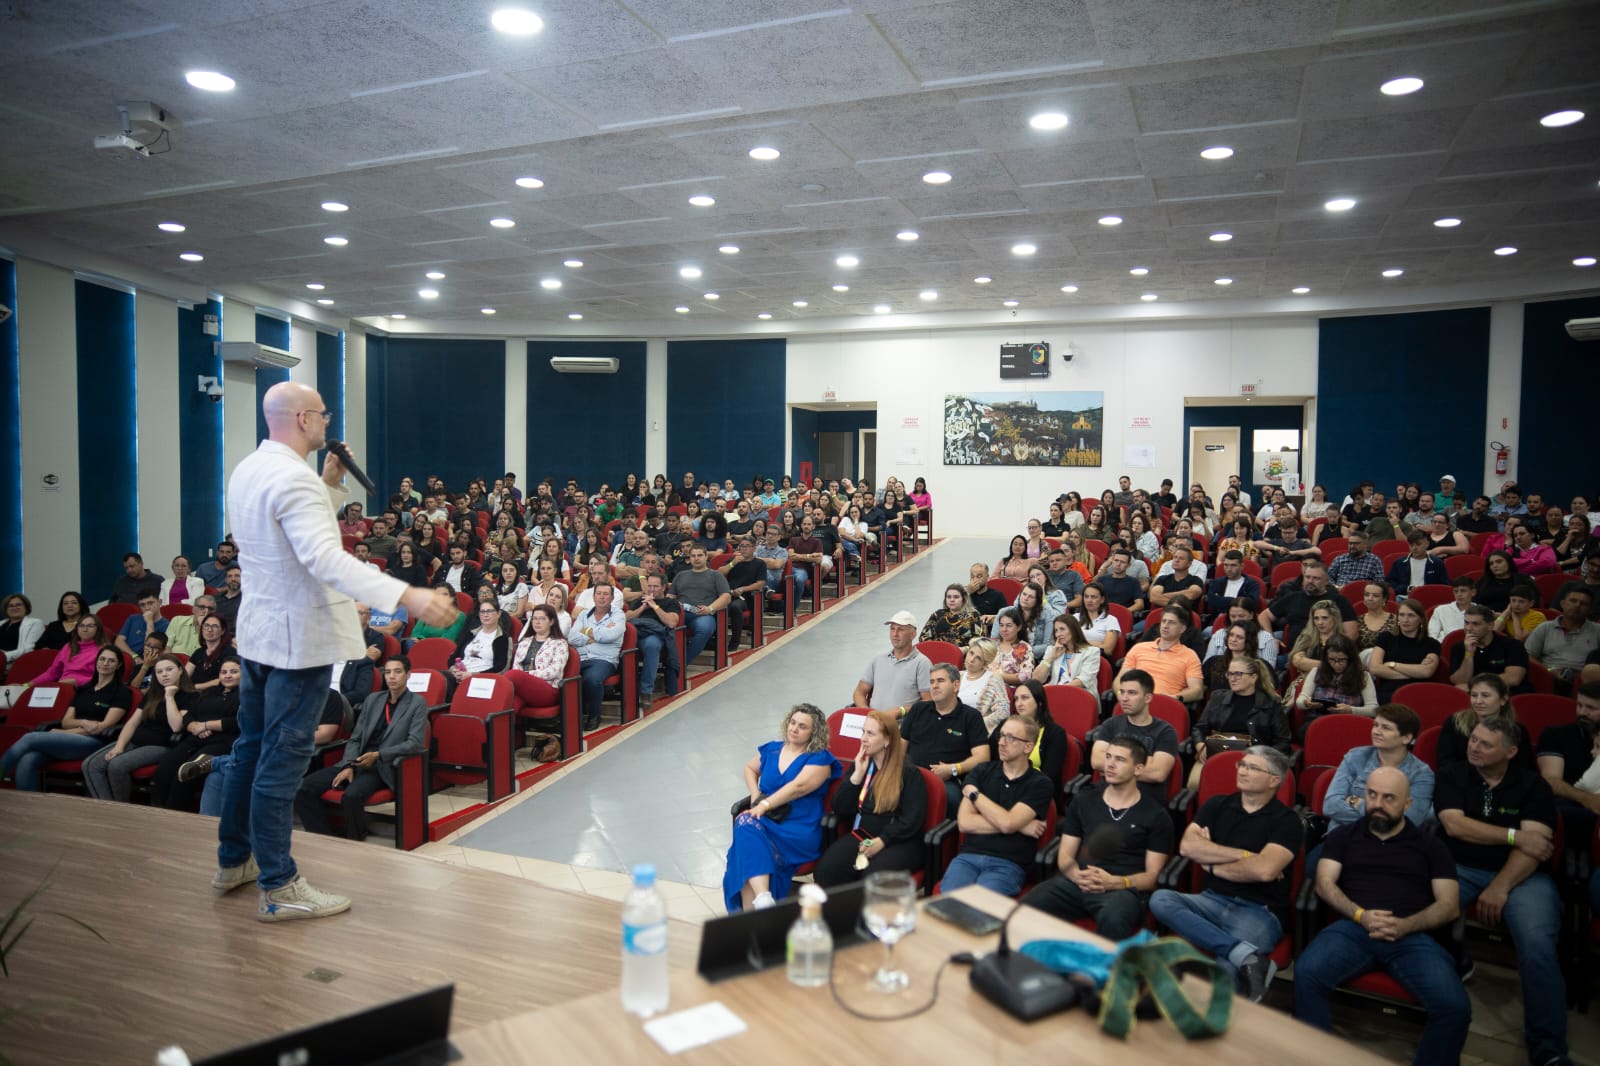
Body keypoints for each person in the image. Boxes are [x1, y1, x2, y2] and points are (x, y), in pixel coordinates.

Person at [216, 381, 447, 922]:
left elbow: (290, 535)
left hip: (258, 634)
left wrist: (329, 485)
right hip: (298, 641)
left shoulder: (250, 468)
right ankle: (279, 885)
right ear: (301, 419)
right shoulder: (292, 479)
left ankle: (234, 860)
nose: (327, 423)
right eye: (322, 414)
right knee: (281, 761)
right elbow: (323, 559)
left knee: (250, 749)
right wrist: (405, 592)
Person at [1293, 766, 1468, 1064]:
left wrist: (1404, 926)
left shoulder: (1430, 846)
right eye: (1372, 795)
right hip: (1353, 929)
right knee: (1307, 973)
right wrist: (1361, 915)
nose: (1378, 804)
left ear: (1407, 804)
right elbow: (1324, 884)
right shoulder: (1343, 838)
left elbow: (1449, 904)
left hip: (1412, 936)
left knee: (1455, 1007)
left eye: (1389, 798)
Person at [1435, 718, 1568, 1066]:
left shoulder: (1533, 785)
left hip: (1521, 877)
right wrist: (1513, 835)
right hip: (1458, 868)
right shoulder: (1452, 775)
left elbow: (1535, 847)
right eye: (1473, 740)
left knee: (1538, 945)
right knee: (1423, 913)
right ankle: (1441, 993)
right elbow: (1454, 825)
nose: (1474, 747)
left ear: (1510, 751)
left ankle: (1549, 1049)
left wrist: (1499, 886)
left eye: (1485, 744)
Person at [1149, 745, 1301, 999]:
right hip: (1211, 900)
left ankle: (1220, 1011)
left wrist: (1210, 861)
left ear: (1274, 780)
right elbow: (1187, 847)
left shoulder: (1287, 821)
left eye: (1252, 768)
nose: (1243, 771)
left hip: (1259, 912)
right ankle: (1247, 957)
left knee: (1226, 973)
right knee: (1161, 899)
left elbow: (1264, 871)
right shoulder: (1217, 805)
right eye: (1242, 765)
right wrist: (1245, 856)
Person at [1024, 736, 1174, 940]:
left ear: (1138, 769)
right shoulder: (1084, 800)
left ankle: (1095, 971)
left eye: (1120, 760)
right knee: (1028, 906)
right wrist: (1076, 874)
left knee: (1113, 919)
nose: (1110, 764)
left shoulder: (1155, 815)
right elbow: (1065, 855)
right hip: (1079, 881)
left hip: (1123, 889)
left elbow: (1152, 877)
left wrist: (1116, 882)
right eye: (1108, 757)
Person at [293, 656, 430, 841]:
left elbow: (414, 743)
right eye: (388, 672)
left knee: (352, 796)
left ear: (408, 675)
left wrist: (378, 755)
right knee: (303, 788)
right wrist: (349, 764)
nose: (392, 677)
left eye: (397, 672)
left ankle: (355, 839)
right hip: (357, 761)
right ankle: (325, 838)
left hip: (383, 765)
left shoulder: (417, 703)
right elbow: (356, 738)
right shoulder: (373, 699)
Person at [723, 704, 842, 911]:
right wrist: (756, 795)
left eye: (802, 726)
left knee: (744, 839)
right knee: (744, 832)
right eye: (793, 722)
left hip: (797, 826)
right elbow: (750, 768)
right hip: (765, 820)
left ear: (814, 732)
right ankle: (762, 903)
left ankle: (751, 915)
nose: (794, 728)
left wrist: (765, 804)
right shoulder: (772, 749)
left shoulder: (819, 758)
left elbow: (798, 787)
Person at [940, 716, 1054, 895]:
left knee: (980, 907)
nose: (1001, 743)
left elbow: (1008, 824)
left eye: (1010, 738)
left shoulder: (1040, 783)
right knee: (949, 903)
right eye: (1001, 736)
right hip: (968, 857)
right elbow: (965, 823)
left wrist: (975, 795)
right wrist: (1019, 826)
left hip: (1008, 863)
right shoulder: (981, 771)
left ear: (1028, 747)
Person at [815, 710, 929, 887]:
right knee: (826, 870)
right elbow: (840, 808)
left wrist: (883, 840)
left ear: (887, 740)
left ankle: (867, 914)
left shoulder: (909, 773)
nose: (863, 738)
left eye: (870, 733)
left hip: (901, 841)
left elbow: (911, 821)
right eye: (863, 732)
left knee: (872, 877)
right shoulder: (862, 765)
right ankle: (843, 914)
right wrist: (856, 778)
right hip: (865, 836)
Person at [1, 646, 130, 791]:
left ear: (118, 665)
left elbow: (102, 727)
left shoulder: (122, 692)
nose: (105, 663)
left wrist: (64, 733)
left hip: (96, 743)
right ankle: (28, 808)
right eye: (102, 659)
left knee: (30, 738)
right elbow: (66, 721)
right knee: (28, 759)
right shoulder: (85, 689)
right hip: (70, 740)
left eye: (111, 661)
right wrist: (82, 722)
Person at [83, 654, 194, 802]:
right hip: (136, 741)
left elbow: (176, 726)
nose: (164, 674)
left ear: (180, 670)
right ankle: (107, 807)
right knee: (91, 765)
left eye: (169, 669)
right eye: (159, 672)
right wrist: (119, 747)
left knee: (117, 766)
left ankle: (121, 809)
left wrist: (169, 697)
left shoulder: (191, 696)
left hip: (161, 745)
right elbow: (132, 723)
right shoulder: (152, 694)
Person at [1321, 705, 1435, 830]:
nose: (1376, 731)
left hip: (1392, 846)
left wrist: (1356, 802)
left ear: (1406, 738)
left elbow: (1411, 821)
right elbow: (1330, 806)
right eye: (1375, 725)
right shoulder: (1355, 756)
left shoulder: (1421, 774)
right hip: (1343, 836)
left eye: (1386, 728)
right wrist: (1385, 818)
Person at [899, 663, 990, 813]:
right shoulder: (918, 709)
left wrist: (954, 769)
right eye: (932, 682)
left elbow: (983, 757)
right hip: (911, 774)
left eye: (940, 681)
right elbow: (900, 748)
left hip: (948, 781)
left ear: (955, 685)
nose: (934, 686)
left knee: (948, 797)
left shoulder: (971, 717)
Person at [154, 656, 242, 810]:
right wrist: (193, 726)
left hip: (222, 742)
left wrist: (206, 725)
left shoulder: (247, 696)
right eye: (224, 672)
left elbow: (238, 722)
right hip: (194, 738)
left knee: (185, 774)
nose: (227, 675)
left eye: (233, 672)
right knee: (164, 768)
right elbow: (188, 715)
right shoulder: (210, 692)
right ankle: (165, 810)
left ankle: (178, 816)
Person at [1189, 658, 1289, 785]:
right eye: (1230, 674)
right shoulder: (1217, 697)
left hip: (1254, 757)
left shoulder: (1270, 703)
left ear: (1253, 677)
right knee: (1194, 784)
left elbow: (1282, 741)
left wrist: (1262, 759)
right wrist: (1201, 746)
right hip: (1216, 753)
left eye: (1238, 674)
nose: (1232, 678)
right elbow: (1199, 728)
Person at [1093, 670, 1180, 802]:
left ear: (1148, 698)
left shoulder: (1165, 732)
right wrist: (1146, 761)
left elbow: (1158, 773)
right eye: (1122, 692)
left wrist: (1112, 767)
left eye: (1132, 693)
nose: (1124, 698)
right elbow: (1096, 761)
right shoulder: (1110, 724)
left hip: (1144, 801)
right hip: (1105, 796)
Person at [990, 680, 1070, 801]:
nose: (1019, 703)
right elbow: (991, 757)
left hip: (1035, 792)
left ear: (1040, 702)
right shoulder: (1005, 725)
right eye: (1016, 699)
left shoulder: (1055, 734)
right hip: (1001, 786)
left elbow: (1050, 776)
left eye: (1025, 698)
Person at [1436, 673, 1535, 771]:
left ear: (1503, 700)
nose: (1478, 701)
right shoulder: (1455, 723)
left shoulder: (1517, 730)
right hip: (1462, 782)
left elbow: (1525, 769)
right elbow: (1445, 764)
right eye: (1474, 695)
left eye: (1485, 696)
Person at [1260, 558, 1357, 652]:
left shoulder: (1339, 600)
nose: (1310, 581)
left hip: (1325, 654)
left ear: (1326, 581)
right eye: (1307, 577)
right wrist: (1271, 638)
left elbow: (1351, 633)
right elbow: (1264, 616)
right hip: (1292, 654)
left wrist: (1335, 651)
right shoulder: (1293, 597)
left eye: (1316, 578)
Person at [1536, 680, 1600, 821]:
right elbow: (1551, 780)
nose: (1582, 712)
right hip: (1569, 801)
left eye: (1591, 708)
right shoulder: (1555, 734)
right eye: (1579, 705)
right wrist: (1586, 799)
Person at [1116, 606, 1203, 703]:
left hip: (1163, 705)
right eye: (1164, 621)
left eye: (1171, 622)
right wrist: (1121, 696)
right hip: (1133, 703)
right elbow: (1120, 679)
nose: (1165, 625)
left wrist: (1174, 698)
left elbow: (1197, 690)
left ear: (1182, 629)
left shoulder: (1189, 655)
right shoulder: (1139, 648)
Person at [569, 582, 625, 731]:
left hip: (604, 659)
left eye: (606, 594)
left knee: (592, 679)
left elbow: (610, 635)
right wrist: (593, 636)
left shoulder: (618, 615)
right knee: (565, 679)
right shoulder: (583, 614)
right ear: (593, 597)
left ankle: (594, 715)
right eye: (598, 593)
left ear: (612, 598)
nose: (601, 597)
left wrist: (585, 630)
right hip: (581, 657)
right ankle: (571, 717)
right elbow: (572, 637)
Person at [853, 610, 932, 711]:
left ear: (913, 634)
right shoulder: (878, 659)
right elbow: (859, 692)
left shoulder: (922, 663)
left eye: (901, 630)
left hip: (902, 723)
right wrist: (865, 712)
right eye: (892, 629)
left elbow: (928, 701)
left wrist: (901, 711)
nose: (895, 634)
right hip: (873, 721)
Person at [1291, 635, 1377, 727]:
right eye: (1331, 660)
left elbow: (1374, 709)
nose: (1336, 664)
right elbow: (1299, 702)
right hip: (1318, 720)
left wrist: (1351, 710)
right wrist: (1307, 703)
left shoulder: (1363, 676)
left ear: (1351, 659)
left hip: (1348, 722)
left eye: (1342, 660)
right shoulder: (1316, 671)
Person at [1526, 586, 1600, 690]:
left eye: (1583, 603)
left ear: (1590, 610)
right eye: (1573, 601)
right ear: (1563, 604)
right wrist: (1549, 670)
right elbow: (1528, 655)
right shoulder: (1545, 627)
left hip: (1584, 682)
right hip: (1547, 676)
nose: (1577, 605)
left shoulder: (1597, 631)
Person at [1368, 598, 1442, 701]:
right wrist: (1415, 673)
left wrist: (1392, 664)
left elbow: (1426, 672)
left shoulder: (1432, 644)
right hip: (1388, 693)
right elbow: (1375, 668)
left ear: (1420, 619)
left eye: (1411, 615)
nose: (1405, 620)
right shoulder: (1386, 638)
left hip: (1418, 694)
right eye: (1402, 615)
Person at [506, 604, 572, 716]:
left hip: (548, 690)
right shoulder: (524, 641)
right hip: (524, 689)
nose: (537, 622)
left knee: (514, 676)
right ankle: (510, 733)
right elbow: (516, 666)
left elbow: (554, 671)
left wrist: (527, 675)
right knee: (508, 706)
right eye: (534, 618)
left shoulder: (560, 643)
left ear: (551, 622)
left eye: (542, 619)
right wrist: (523, 678)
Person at [671, 545, 732, 664]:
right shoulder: (681, 575)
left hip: (702, 614)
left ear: (706, 557)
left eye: (699, 555)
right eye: (693, 556)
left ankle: (681, 664)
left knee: (705, 629)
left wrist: (710, 608)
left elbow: (726, 597)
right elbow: (671, 596)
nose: (696, 558)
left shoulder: (716, 575)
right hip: (680, 612)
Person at [1448, 604, 1529, 692]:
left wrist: (1475, 685)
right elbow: (1459, 683)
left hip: (1506, 695)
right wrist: (1469, 654)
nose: (1468, 628)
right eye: (1466, 623)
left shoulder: (1513, 645)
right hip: (1474, 699)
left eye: (1475, 624)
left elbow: (1513, 678)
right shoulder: (1458, 647)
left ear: (1490, 625)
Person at [1031, 613, 1101, 695]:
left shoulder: (1092, 652)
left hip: (1080, 695)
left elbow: (1083, 680)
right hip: (1055, 694)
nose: (1058, 634)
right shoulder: (1052, 650)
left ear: (1073, 630)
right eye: (1056, 630)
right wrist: (1051, 658)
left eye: (1062, 629)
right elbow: (1036, 679)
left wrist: (1057, 690)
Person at [957, 638, 1010, 731]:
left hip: (975, 732)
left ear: (985, 663)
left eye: (978, 658)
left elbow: (1003, 712)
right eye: (971, 653)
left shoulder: (994, 680)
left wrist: (976, 724)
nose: (971, 659)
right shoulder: (957, 675)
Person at [1204, 551, 1262, 618]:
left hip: (1243, 622)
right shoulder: (1216, 583)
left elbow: (1251, 605)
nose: (1229, 569)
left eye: (1233, 565)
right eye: (1226, 565)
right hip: (1218, 621)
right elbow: (1212, 602)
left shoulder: (1252, 585)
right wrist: (1238, 601)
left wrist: (1221, 600)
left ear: (1242, 566)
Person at [113, 591, 169, 658]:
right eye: (142, 605)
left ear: (159, 602)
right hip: (128, 656)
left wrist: (149, 622)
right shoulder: (133, 618)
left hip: (147, 659)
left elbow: (150, 648)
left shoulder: (166, 625)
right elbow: (119, 641)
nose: (147, 608)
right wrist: (134, 656)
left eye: (150, 603)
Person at [0, 592, 44, 668]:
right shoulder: (1, 623)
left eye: (18, 605)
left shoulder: (35, 623)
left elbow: (29, 649)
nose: (14, 608)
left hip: (15, 663)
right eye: (10, 606)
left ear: (26, 607)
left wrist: (3, 656)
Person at [1354, 580, 1396, 650]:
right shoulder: (1357, 621)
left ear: (1384, 599)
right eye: (1367, 595)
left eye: (1375, 596)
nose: (1370, 598)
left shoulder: (1396, 620)